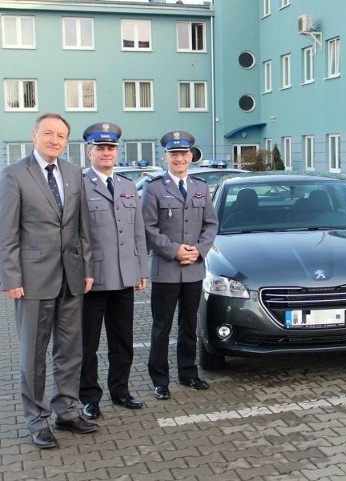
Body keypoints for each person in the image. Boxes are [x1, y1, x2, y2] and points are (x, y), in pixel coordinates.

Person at [0, 113, 96, 449]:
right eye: (48, 133)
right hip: (32, 280)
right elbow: (7, 233)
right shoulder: (14, 175)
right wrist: (10, 277)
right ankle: (37, 420)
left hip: (70, 278)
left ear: (67, 141)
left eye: (60, 136)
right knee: (33, 355)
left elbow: (82, 229)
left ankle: (67, 410)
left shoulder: (73, 173)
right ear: (34, 135)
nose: (54, 140)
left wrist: (86, 269)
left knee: (69, 351)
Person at [79, 122, 149, 419]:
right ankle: (89, 397)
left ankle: (120, 391)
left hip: (124, 278)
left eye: (111, 148)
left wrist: (141, 270)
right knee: (88, 344)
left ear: (117, 152)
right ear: (89, 152)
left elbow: (137, 232)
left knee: (122, 341)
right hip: (92, 280)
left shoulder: (127, 186)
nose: (106, 153)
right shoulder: (80, 186)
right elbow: (75, 235)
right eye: (100, 148)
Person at [141, 130, 218, 400]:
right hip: (166, 270)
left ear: (191, 157)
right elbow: (148, 227)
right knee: (161, 327)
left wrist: (199, 250)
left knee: (189, 325)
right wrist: (175, 251)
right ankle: (160, 380)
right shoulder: (153, 188)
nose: (179, 158)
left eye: (183, 154)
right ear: (165, 157)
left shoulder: (200, 187)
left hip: (194, 269)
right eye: (174, 154)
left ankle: (188, 373)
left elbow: (211, 224)